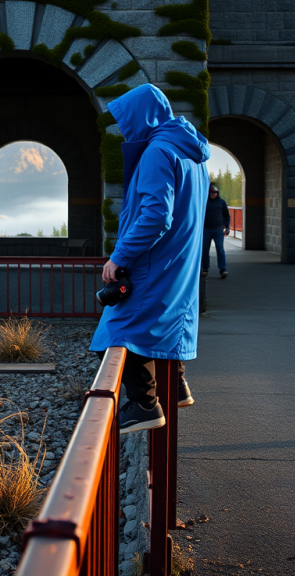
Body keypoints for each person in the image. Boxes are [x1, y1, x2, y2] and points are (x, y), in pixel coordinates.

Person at [90, 84, 210, 434]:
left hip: (154, 262)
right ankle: (177, 386)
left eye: (125, 119)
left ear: (143, 115)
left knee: (114, 336)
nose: (123, 128)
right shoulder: (191, 154)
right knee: (167, 323)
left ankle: (145, 404)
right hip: (180, 262)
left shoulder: (158, 151)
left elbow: (157, 216)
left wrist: (119, 256)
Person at [202, 183, 231, 279]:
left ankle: (222, 269)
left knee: (220, 249)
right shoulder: (204, 202)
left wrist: (227, 227)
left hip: (218, 229)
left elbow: (227, 216)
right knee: (205, 250)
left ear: (217, 193)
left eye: (214, 192)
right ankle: (205, 268)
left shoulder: (221, 202)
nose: (213, 194)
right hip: (206, 229)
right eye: (211, 192)